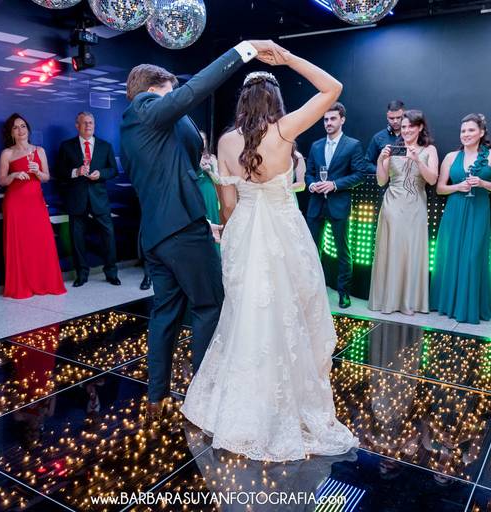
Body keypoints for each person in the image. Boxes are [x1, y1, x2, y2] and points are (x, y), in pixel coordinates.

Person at [181, 51, 359, 461]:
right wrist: (290, 57)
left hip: (245, 230)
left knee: (245, 312)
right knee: (289, 310)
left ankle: (238, 403)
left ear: (242, 101)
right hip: (282, 230)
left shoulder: (226, 141)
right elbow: (332, 88)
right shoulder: (285, 129)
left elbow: (227, 205)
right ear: (275, 100)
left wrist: (227, 234)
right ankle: (284, 397)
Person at [120, 40, 287, 421]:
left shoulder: (133, 129)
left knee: (165, 314)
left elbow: (165, 176)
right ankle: (204, 396)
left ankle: (156, 395)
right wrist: (244, 50)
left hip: (158, 235)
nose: (175, 99)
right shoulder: (146, 108)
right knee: (210, 306)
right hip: (181, 233)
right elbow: (192, 92)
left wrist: (200, 219)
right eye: (170, 92)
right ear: (154, 91)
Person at [430, 114, 491, 324]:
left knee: (473, 256)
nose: (466, 134)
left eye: (471, 130)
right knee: (451, 255)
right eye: (463, 130)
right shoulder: (450, 157)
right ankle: (450, 305)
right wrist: (458, 187)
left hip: (478, 210)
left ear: (481, 132)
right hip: (454, 211)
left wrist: (483, 183)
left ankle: (469, 307)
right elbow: (440, 188)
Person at [369, 109, 439, 315]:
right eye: (404, 126)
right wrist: (380, 161)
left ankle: (409, 302)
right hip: (392, 205)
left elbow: (432, 179)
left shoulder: (429, 150)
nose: (406, 130)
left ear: (420, 127)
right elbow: (381, 181)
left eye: (411, 126)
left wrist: (417, 160)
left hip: (416, 207)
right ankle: (388, 301)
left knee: (411, 252)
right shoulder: (392, 149)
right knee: (391, 251)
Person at [305, 102, 369, 309]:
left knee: (343, 251)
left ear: (342, 120)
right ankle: (313, 293)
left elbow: (360, 174)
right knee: (311, 250)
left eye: (333, 119)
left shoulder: (353, 145)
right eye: (326, 119)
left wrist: (335, 184)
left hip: (339, 204)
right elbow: (308, 173)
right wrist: (311, 184)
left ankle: (343, 293)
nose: (328, 123)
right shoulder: (316, 146)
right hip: (316, 205)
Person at [0, 113, 66, 299]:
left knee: (40, 242)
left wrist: (37, 172)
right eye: (15, 127)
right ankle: (22, 285)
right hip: (15, 204)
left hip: (36, 202)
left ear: (28, 129)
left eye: (23, 126)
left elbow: (46, 177)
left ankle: (43, 282)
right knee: (20, 244)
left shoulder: (39, 151)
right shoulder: (7, 153)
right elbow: (2, 181)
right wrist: (13, 176)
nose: (20, 130)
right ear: (11, 133)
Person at [56, 112, 120, 288]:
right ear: (77, 125)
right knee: (77, 239)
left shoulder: (105, 146)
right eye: (84, 123)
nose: (88, 126)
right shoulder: (66, 146)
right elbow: (59, 172)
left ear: (94, 125)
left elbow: (113, 170)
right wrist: (75, 172)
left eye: (91, 122)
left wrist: (101, 174)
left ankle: (111, 273)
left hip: (99, 199)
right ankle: (82, 274)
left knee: (108, 237)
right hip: (77, 200)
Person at [365, 100, 405, 173]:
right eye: (391, 118)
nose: (395, 121)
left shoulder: (412, 136)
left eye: (398, 117)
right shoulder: (378, 138)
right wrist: (382, 172)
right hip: (385, 178)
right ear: (387, 117)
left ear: (404, 116)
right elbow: (367, 164)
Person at [198, 131, 221, 225]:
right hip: (196, 193)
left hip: (209, 193)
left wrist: (209, 171)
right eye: (199, 138)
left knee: (212, 219)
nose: (201, 141)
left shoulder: (212, 158)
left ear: (206, 141)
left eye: (203, 139)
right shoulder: (190, 158)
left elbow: (218, 181)